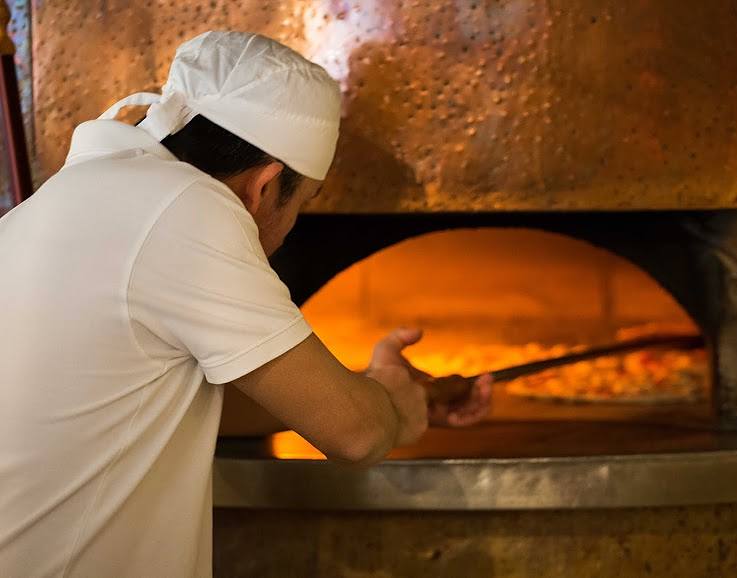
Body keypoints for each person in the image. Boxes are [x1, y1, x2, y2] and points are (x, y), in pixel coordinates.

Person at [0, 30, 492, 577]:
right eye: (302, 205)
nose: (287, 230)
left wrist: (377, 388)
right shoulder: (187, 206)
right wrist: (389, 409)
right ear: (265, 186)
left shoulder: (62, 200)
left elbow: (181, 397)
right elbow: (357, 435)